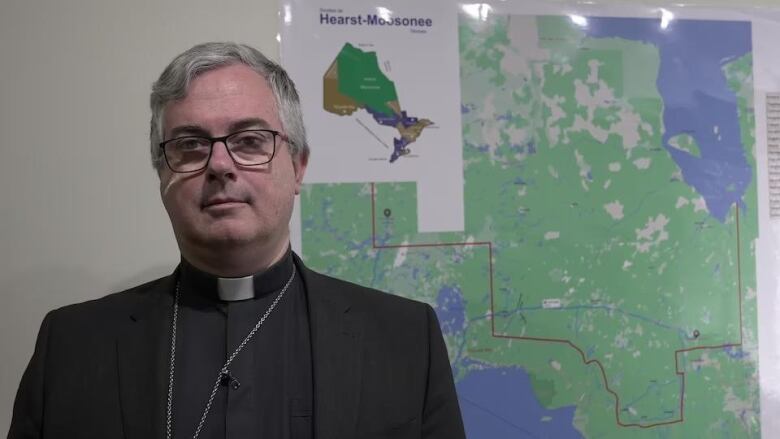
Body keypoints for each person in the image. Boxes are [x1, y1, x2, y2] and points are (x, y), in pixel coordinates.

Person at [8, 42, 465, 439]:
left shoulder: (405, 340)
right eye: (189, 144)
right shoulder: (70, 347)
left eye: (249, 140)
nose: (220, 165)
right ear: (161, 172)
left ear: (299, 166)